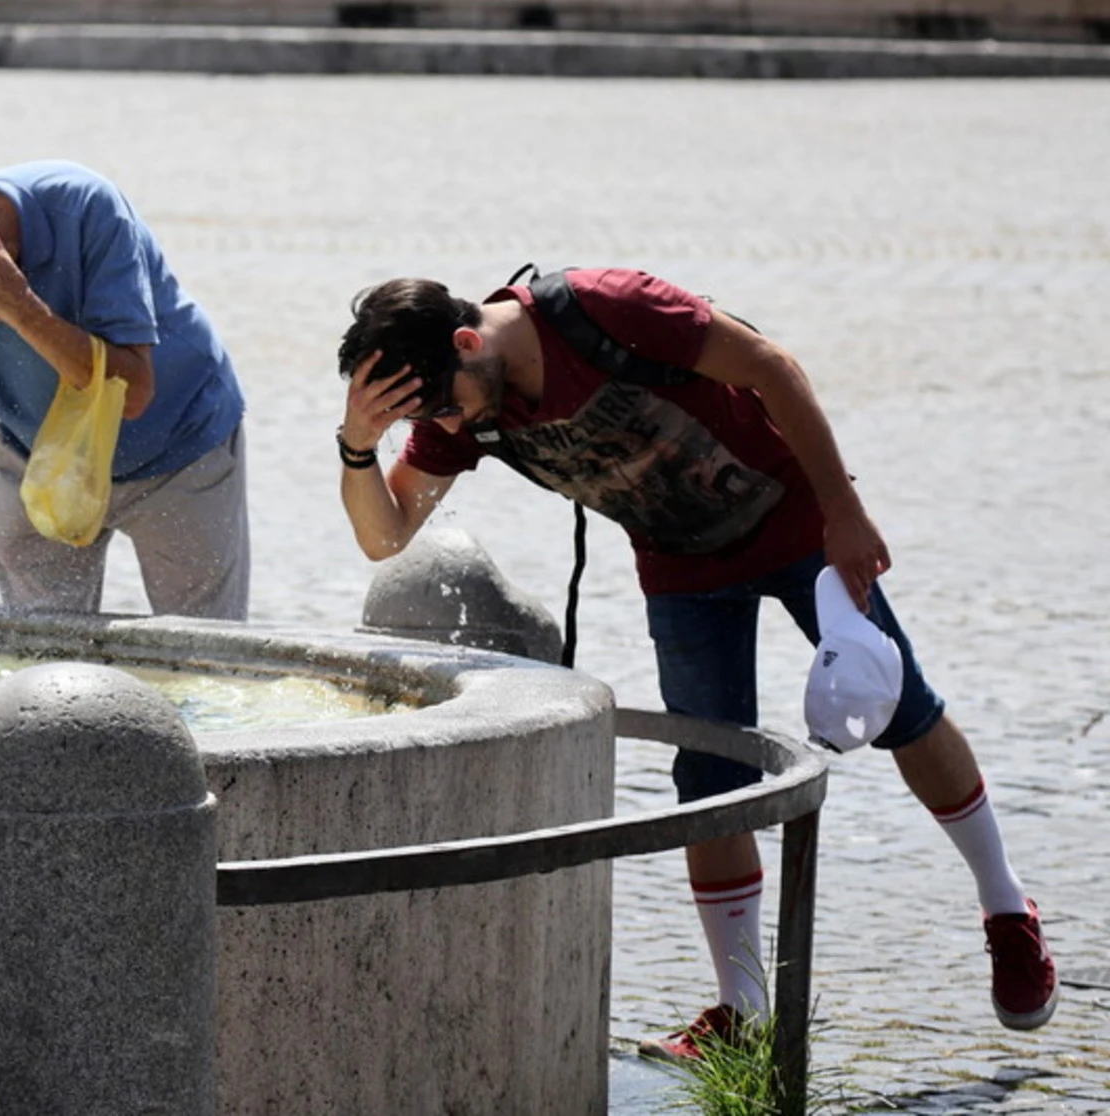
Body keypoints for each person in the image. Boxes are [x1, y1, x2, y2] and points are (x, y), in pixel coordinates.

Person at [334, 267, 1057, 1059]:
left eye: (441, 403)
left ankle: (1005, 908)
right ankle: (742, 1017)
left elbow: (772, 368)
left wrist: (844, 512)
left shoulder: (605, 307)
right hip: (682, 565)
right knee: (708, 776)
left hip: (795, 523)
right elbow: (386, 537)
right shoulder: (465, 408)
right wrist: (358, 447)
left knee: (899, 707)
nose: (444, 422)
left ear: (468, 342)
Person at [0, 161, 249, 620]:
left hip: (178, 445)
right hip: (38, 456)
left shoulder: (89, 210)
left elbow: (131, 395)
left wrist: (16, 306)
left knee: (207, 662)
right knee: (42, 661)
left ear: (11, 264)